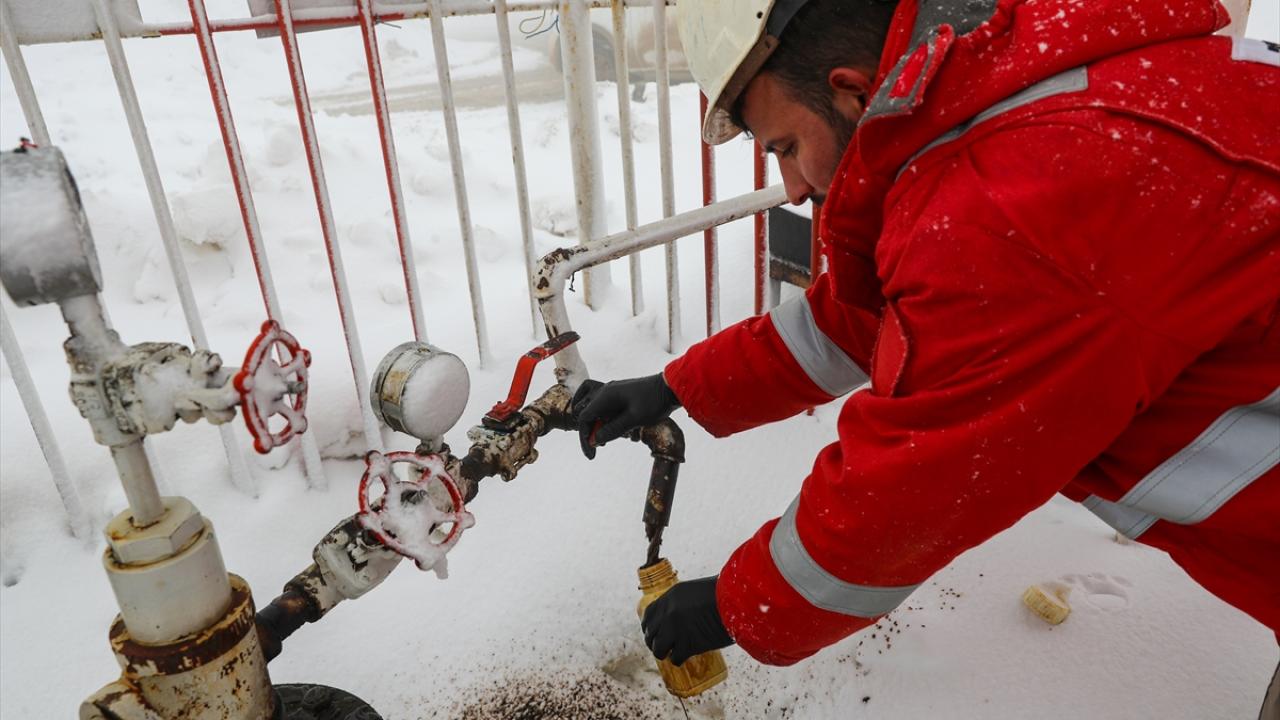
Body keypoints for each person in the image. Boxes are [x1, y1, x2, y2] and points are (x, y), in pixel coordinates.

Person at [572, 0, 1280, 712]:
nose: (789, 187)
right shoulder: (1028, 89)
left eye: (784, 146)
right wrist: (677, 385)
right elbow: (872, 316)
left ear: (850, 90)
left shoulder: (1019, 202)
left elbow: (910, 491)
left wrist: (733, 605)